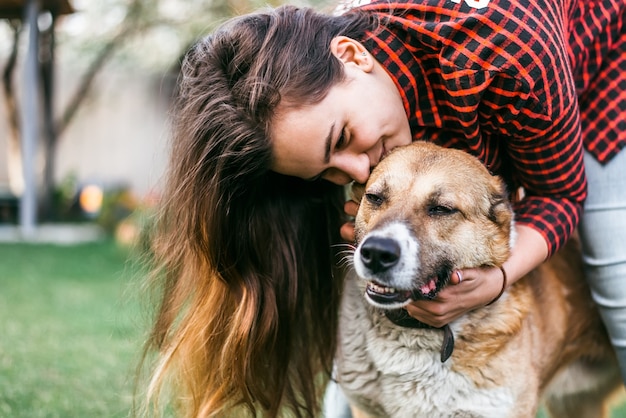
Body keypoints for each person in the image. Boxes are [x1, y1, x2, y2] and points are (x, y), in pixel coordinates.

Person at [139, 0, 626, 417]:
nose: (357, 169)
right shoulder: (336, 80)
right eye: (327, 171)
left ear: (352, 56)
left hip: (600, 77)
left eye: (344, 138)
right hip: (482, 87)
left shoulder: (506, 49)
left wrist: (494, 280)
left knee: (617, 280)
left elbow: (560, 194)